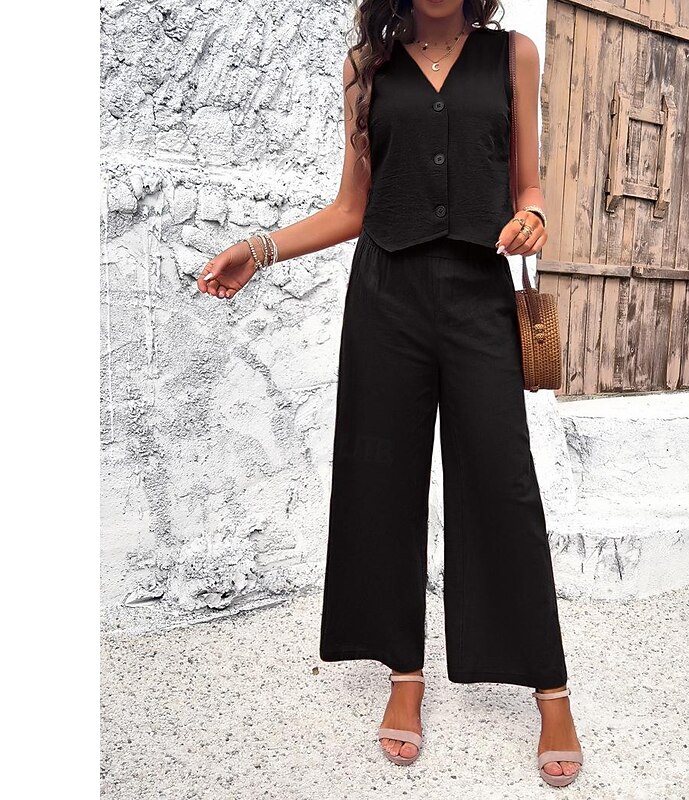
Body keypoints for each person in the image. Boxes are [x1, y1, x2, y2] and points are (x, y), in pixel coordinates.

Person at [197, 0, 583, 788]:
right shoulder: (364, 67)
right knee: (380, 482)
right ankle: (403, 674)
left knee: (503, 483)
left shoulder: (512, 54)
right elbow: (353, 208)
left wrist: (534, 215)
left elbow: (529, 185)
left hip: (478, 297)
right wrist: (259, 249)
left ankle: (550, 688)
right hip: (387, 299)